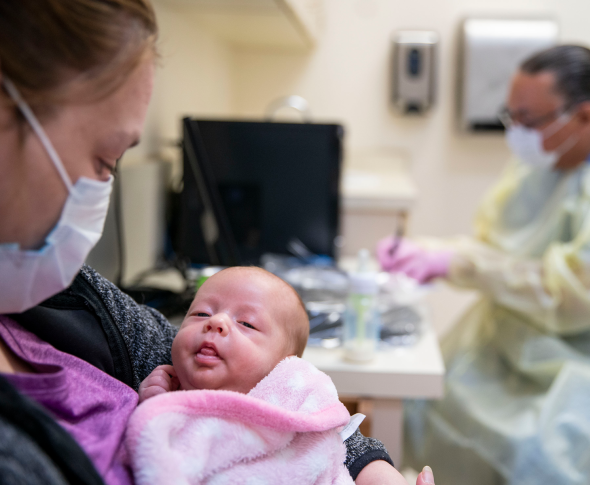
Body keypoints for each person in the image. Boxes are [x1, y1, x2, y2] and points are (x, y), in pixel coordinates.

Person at [0, 1, 434, 484]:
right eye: (104, 159)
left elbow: (295, 408)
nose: (214, 327)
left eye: (246, 322)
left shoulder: (64, 297)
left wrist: (375, 473)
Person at [378, 45, 590, 484]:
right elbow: (506, 249)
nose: (516, 133)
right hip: (537, 342)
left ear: (584, 116)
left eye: (529, 120)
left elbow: (570, 294)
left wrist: (457, 263)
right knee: (425, 402)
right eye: (511, 116)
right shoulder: (553, 156)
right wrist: (432, 251)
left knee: (539, 458)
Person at [126, 266, 356, 483]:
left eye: (246, 323)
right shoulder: (167, 395)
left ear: (283, 368)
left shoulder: (294, 411)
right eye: (201, 313)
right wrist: (152, 402)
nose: (216, 321)